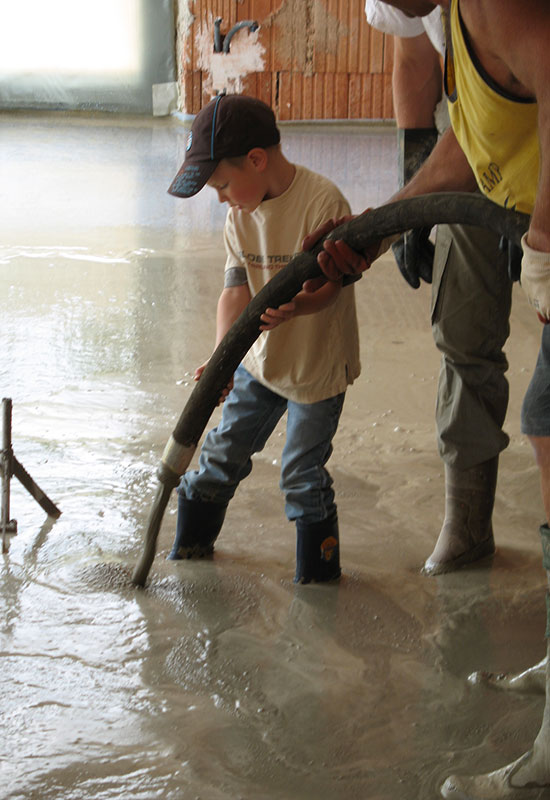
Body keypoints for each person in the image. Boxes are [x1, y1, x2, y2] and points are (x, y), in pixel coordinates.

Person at [305, 0, 550, 795]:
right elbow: (474, 136)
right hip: (512, 201)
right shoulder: (448, 17)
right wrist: (383, 222)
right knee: (531, 402)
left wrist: (544, 245)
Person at [166, 92, 361, 584]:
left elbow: (331, 289)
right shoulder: (239, 217)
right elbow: (234, 292)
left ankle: (318, 584)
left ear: (256, 160)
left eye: (223, 185)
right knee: (219, 454)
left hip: (316, 366)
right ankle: (189, 557)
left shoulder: (323, 202)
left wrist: (300, 305)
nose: (221, 198)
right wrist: (221, 360)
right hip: (260, 363)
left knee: (301, 472)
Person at [365, 0, 513, 579]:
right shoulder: (412, 8)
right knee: (464, 322)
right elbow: (414, 58)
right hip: (472, 134)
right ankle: (468, 521)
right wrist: (416, 179)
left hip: (535, 117)